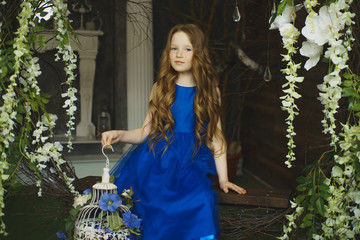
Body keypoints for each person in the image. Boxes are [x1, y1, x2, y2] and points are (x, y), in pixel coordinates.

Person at [101, 23, 246, 240]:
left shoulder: (209, 91)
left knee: (202, 198)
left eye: (187, 49)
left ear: (199, 53)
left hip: (190, 162)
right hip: (156, 160)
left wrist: (223, 179)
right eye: (173, 48)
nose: (179, 54)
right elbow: (144, 132)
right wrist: (120, 134)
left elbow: (216, 137)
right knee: (152, 202)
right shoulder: (160, 87)